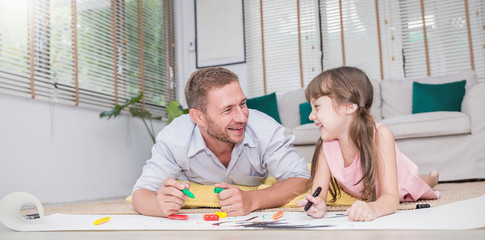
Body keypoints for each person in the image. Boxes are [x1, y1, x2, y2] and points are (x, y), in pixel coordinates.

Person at [132, 67, 310, 217]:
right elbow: (140, 194)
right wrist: (160, 205)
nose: (242, 117)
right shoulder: (174, 138)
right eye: (227, 110)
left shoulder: (265, 129)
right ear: (198, 117)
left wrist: (253, 199)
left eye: (242, 104)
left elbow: (301, 178)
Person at [296, 66, 440, 221]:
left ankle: (433, 177)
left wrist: (373, 208)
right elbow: (319, 194)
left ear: (349, 106)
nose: (311, 116)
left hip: (399, 179)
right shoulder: (326, 146)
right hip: (366, 189)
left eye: (316, 106)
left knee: (418, 183)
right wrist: (318, 205)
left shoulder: (380, 135)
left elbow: (390, 198)